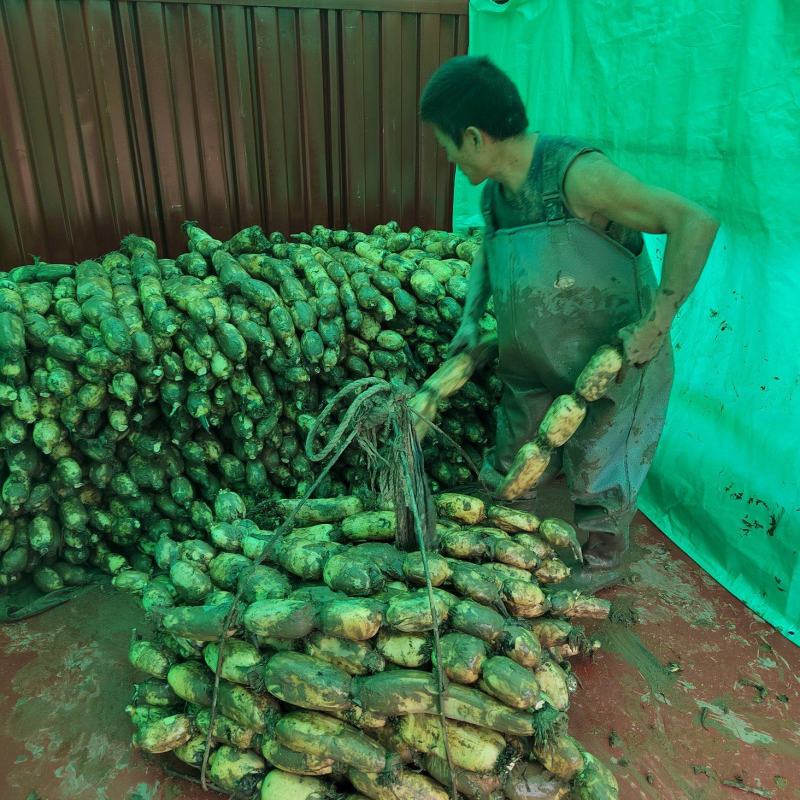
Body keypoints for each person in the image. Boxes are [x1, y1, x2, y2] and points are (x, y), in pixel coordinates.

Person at [420, 56, 719, 578]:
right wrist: (471, 319)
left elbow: (693, 221)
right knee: (511, 469)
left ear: (472, 137)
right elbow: (489, 256)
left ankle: (601, 561)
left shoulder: (578, 175)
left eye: (445, 144)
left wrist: (658, 322)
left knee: (600, 470)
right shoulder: (494, 195)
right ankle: (508, 549)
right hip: (534, 361)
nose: (445, 157)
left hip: (613, 366)